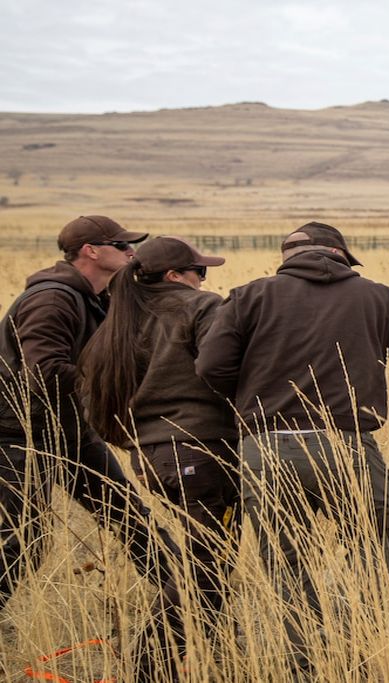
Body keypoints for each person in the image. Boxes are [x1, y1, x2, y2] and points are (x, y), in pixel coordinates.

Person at [196, 222, 389, 674]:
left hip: (265, 448)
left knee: (284, 554)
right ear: (341, 254)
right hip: (345, 445)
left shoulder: (250, 296)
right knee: (376, 531)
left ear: (286, 258)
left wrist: (254, 401)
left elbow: (210, 367)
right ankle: (359, 636)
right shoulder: (380, 297)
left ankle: (300, 657)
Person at [0, 216, 183, 679]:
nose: (131, 253)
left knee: (130, 517)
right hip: (23, 436)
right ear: (90, 251)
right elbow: (42, 373)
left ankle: (187, 607)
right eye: (122, 245)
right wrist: (105, 382)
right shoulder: (52, 300)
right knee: (22, 541)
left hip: (71, 433)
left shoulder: (95, 299)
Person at [78, 236, 238, 645]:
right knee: (207, 566)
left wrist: (135, 440)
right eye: (198, 272)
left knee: (206, 559)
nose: (203, 280)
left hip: (150, 458)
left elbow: (92, 398)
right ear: (174, 276)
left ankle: (204, 650)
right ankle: (151, 662)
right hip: (200, 454)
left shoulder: (117, 323)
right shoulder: (200, 307)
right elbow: (223, 368)